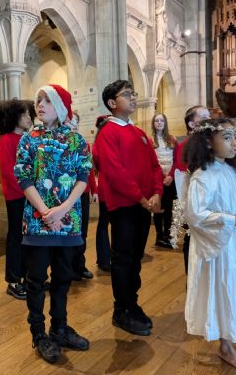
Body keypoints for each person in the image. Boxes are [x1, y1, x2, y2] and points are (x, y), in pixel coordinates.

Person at [14, 84, 92, 364]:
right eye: (39, 100)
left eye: (48, 100)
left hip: (68, 221)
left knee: (63, 277)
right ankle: (39, 334)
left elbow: (83, 176)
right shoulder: (28, 139)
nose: (40, 105)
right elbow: (23, 177)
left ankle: (59, 327)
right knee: (36, 280)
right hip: (38, 222)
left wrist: (62, 210)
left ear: (60, 106)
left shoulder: (76, 139)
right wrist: (47, 212)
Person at [182, 118, 236, 371]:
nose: (234, 143)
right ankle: (226, 346)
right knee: (226, 290)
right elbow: (195, 214)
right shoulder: (203, 176)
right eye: (226, 137)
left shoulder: (231, 171)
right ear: (208, 143)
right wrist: (227, 219)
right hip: (220, 245)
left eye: (235, 137)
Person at [93, 80, 163, 337]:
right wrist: (141, 198)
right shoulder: (108, 132)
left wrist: (157, 193)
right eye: (127, 94)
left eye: (134, 93)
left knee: (135, 257)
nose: (133, 97)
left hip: (143, 204)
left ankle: (132, 303)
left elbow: (154, 166)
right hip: (123, 206)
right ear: (112, 103)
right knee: (123, 259)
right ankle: (121, 309)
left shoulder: (139, 132)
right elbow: (114, 172)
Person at [0, 99, 35, 300]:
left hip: (30, 195)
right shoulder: (6, 140)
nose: (29, 118)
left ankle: (27, 277)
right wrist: (29, 190)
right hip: (17, 195)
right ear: (13, 117)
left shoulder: (27, 138)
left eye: (29, 114)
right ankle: (13, 280)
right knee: (16, 237)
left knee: (28, 237)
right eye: (24, 114)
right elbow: (10, 172)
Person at [171, 105, 211, 273]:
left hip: (211, 199)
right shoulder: (186, 145)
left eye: (209, 116)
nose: (209, 120)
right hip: (195, 200)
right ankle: (192, 277)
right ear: (192, 124)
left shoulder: (212, 142)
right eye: (204, 117)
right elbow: (183, 175)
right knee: (192, 239)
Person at [68, 111, 97, 281]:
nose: (73, 124)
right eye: (71, 120)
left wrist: (94, 190)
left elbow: (88, 170)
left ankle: (80, 265)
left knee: (82, 231)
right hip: (67, 194)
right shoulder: (61, 142)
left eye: (76, 121)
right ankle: (68, 267)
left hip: (83, 193)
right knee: (70, 230)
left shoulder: (84, 143)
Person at [150, 113, 178, 249]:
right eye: (157, 121)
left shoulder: (172, 139)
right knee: (158, 208)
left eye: (162, 120)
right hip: (157, 180)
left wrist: (171, 176)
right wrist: (162, 177)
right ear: (153, 123)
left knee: (168, 208)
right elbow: (150, 162)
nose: (159, 123)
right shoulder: (150, 140)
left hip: (170, 179)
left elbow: (177, 160)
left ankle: (167, 234)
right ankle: (159, 236)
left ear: (165, 123)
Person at [93, 115, 111, 272]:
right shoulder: (101, 143)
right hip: (108, 186)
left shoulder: (98, 143)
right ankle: (104, 258)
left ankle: (104, 258)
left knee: (104, 223)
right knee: (105, 223)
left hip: (107, 185)